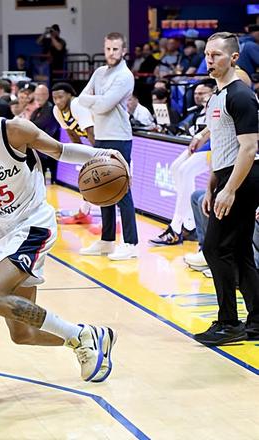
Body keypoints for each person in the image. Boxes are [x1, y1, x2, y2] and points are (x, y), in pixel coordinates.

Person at [0, 81, 122, 383]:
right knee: (23, 334)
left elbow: (61, 151)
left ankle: (78, 335)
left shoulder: (13, 131)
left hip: (34, 224)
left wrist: (104, 153)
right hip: (4, 234)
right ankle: (89, 336)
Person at [192, 32, 259, 345]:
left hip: (243, 179)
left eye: (216, 55)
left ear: (233, 58)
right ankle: (256, 320)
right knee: (240, 251)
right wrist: (212, 185)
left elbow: (249, 148)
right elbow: (221, 145)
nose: (209, 60)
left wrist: (230, 189)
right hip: (227, 176)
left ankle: (229, 322)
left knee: (215, 248)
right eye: (207, 54)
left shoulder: (241, 95)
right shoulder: (216, 96)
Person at [78, 32, 139, 260]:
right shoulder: (99, 73)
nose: (111, 53)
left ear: (123, 51)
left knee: (121, 190)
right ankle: (107, 240)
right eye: (108, 49)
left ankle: (131, 243)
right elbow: (81, 98)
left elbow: (103, 106)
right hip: (101, 136)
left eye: (115, 49)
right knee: (103, 189)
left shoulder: (125, 76)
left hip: (119, 137)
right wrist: (98, 101)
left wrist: (95, 101)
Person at [150, 82, 214, 246]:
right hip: (204, 140)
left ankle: (177, 227)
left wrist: (200, 137)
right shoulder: (196, 111)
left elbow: (215, 125)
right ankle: (189, 222)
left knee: (185, 171)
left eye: (202, 93)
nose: (198, 96)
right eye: (196, 93)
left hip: (217, 143)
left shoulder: (226, 98)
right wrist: (197, 136)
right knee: (175, 167)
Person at [51, 82, 95, 224]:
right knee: (87, 177)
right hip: (95, 139)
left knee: (105, 179)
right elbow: (72, 134)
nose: (58, 101)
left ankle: (114, 221)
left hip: (107, 137)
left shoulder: (77, 105)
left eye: (61, 97)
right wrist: (83, 157)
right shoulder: (57, 111)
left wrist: (97, 157)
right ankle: (85, 211)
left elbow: (92, 133)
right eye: (55, 98)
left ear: (70, 95)